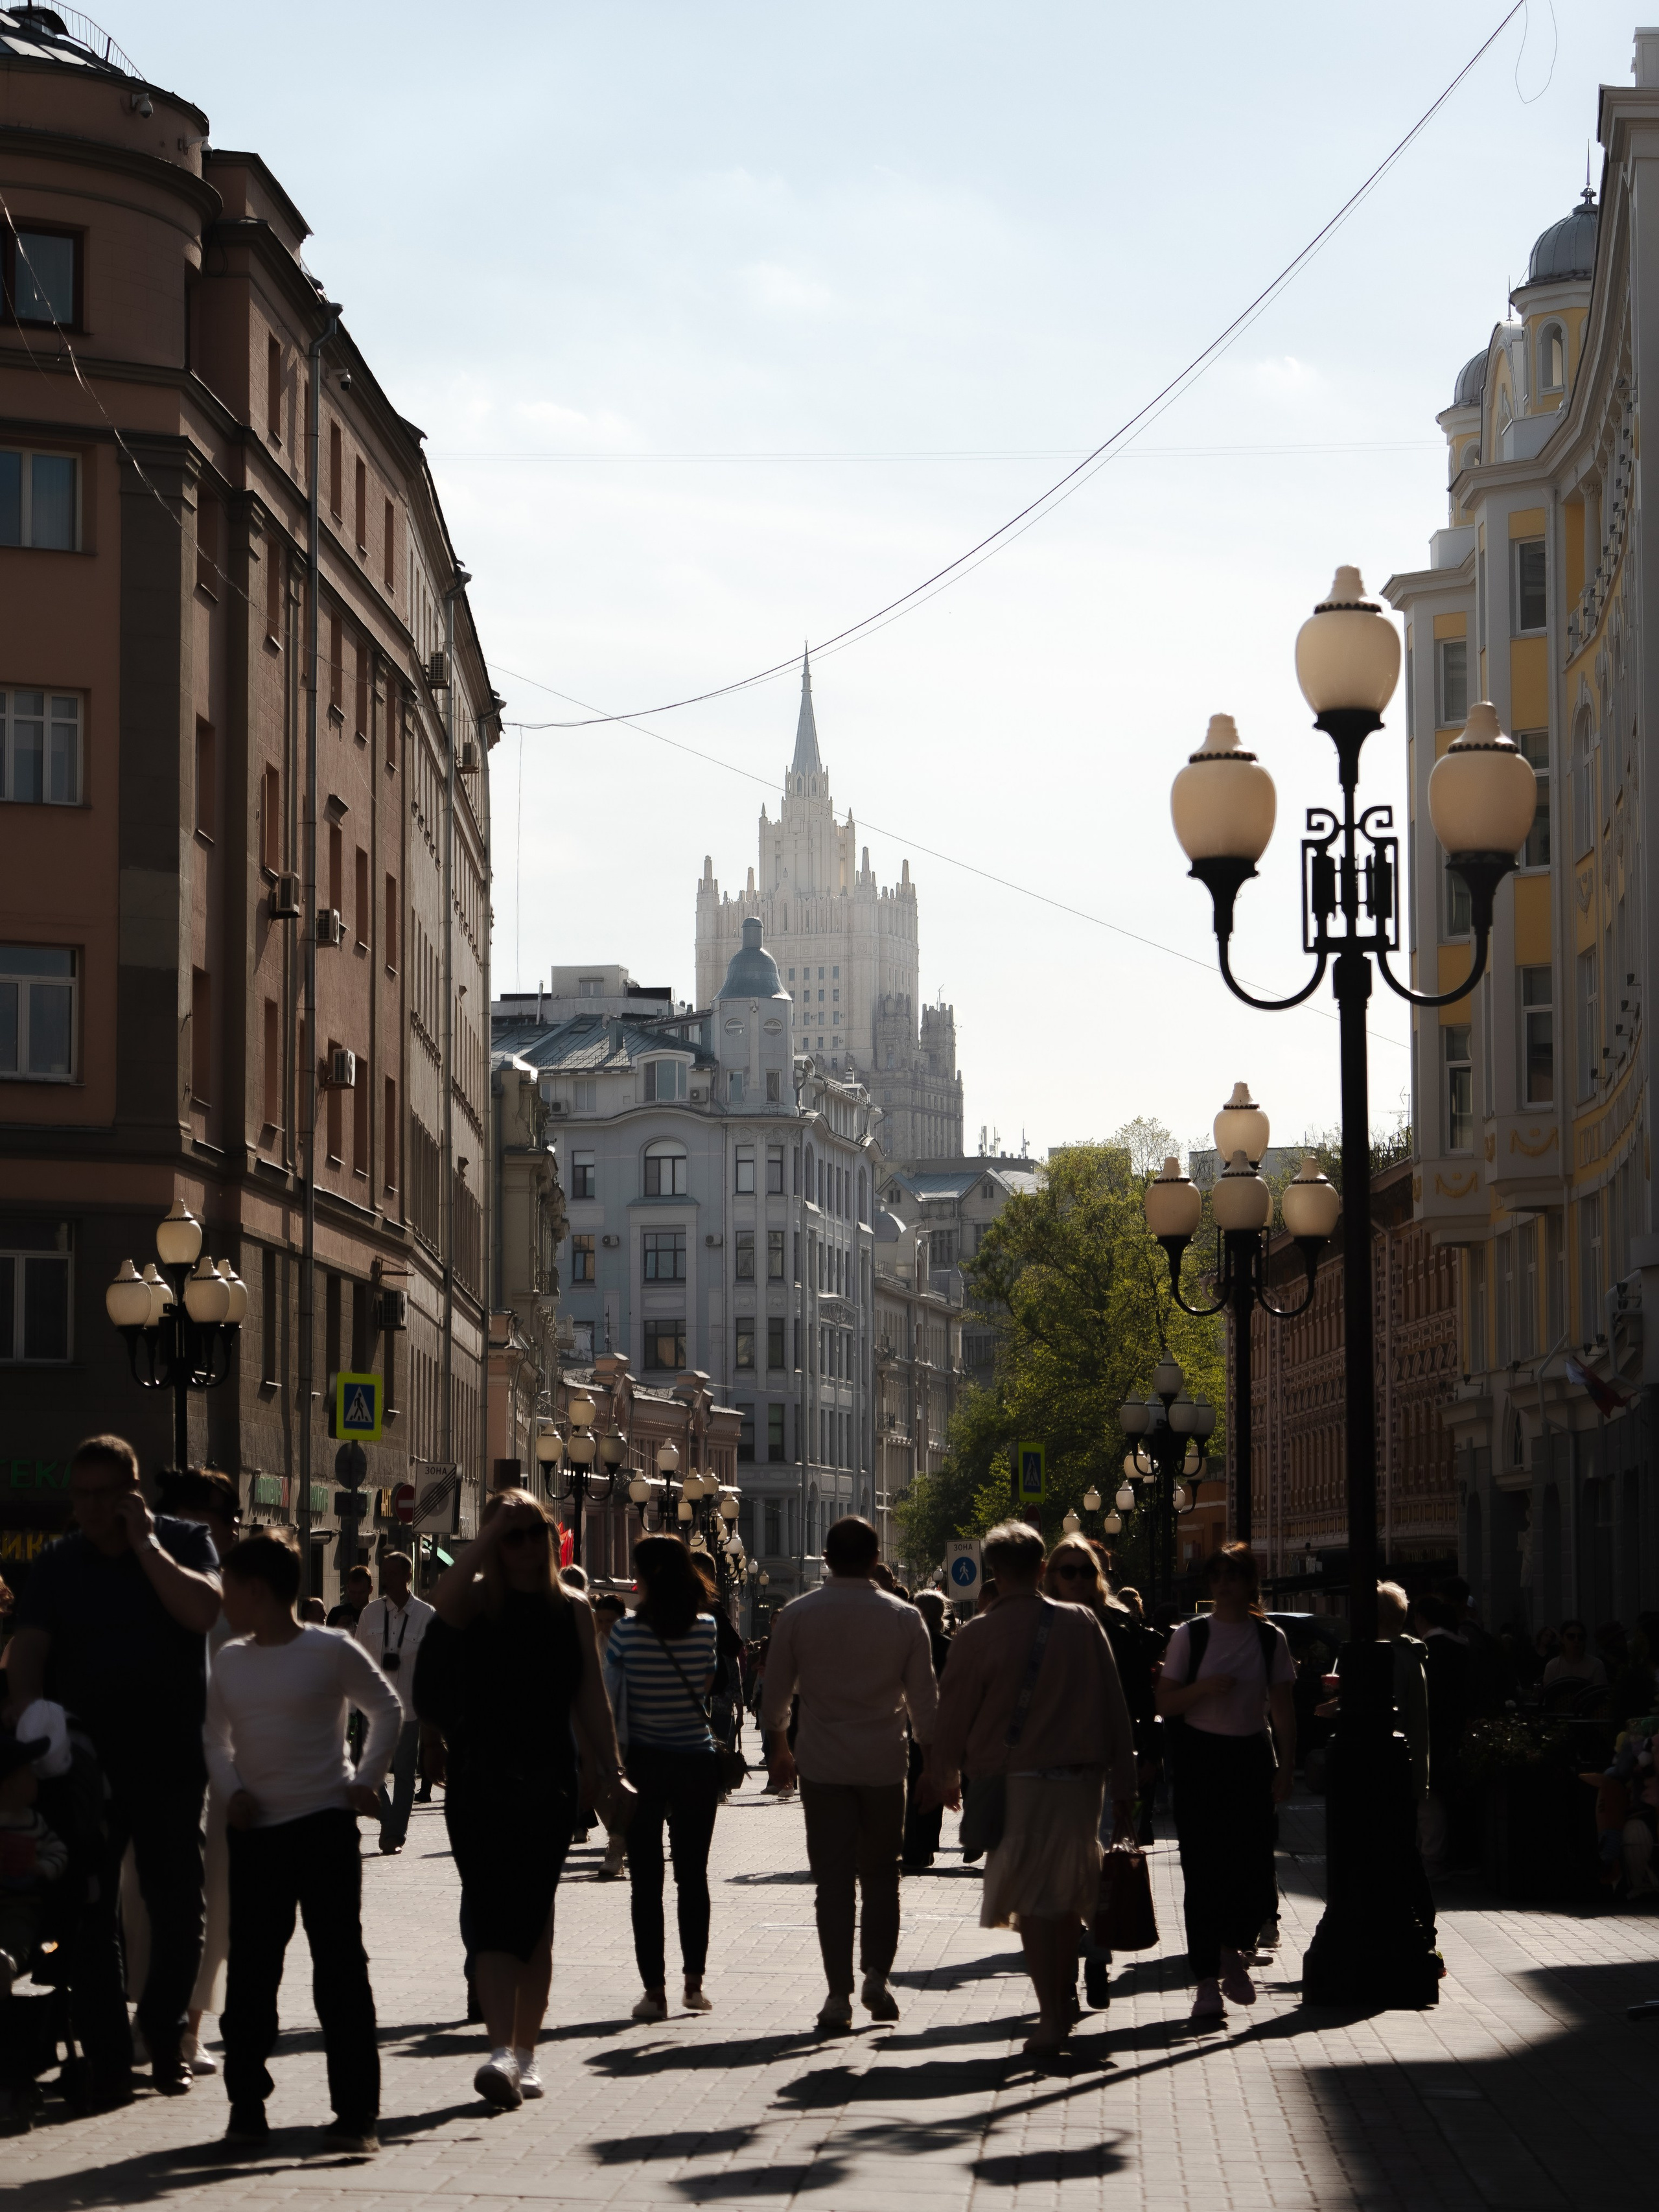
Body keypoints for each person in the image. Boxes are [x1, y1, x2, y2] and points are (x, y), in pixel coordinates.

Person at [1, 1434, 221, 2102]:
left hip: (170, 1757)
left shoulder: (183, 1540)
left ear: (132, 1489)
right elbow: (30, 1647)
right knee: (89, 1909)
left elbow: (204, 1610)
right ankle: (104, 2053)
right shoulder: (59, 1562)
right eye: (82, 1494)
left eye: (105, 1493)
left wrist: (147, 1543)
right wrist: (30, 1714)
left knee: (177, 1906)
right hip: (84, 1763)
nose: (92, 1507)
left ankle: (162, 2035)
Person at [430, 1490, 629, 2110]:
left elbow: (590, 1696)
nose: (520, 1547)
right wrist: (489, 1533)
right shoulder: (475, 1602)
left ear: (551, 1539)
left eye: (531, 1534)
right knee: (490, 1912)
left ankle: (527, 2050)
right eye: (508, 1536)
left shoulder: (570, 1610)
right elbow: (443, 1601)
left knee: (535, 1921)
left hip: (549, 1777)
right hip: (479, 1775)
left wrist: (611, 1768)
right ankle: (499, 2051)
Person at [207, 1533, 400, 2154]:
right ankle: (246, 2105)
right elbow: (212, 1736)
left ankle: (355, 2115)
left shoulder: (330, 1649)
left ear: (257, 1589)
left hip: (323, 1828)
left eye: (228, 1586)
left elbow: (388, 1708)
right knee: (252, 1976)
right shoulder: (230, 1660)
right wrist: (231, 1788)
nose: (222, 1597)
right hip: (256, 1832)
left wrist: (366, 1780)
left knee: (340, 1971)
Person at [929, 1522, 1135, 2060]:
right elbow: (1115, 1706)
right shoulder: (1084, 1621)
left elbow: (952, 1712)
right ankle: (1060, 2000)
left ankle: (1051, 2016)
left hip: (1018, 1781)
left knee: (1035, 1902)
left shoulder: (978, 1633)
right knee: (1064, 1897)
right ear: (1043, 1569)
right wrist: (1127, 1788)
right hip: (1083, 1782)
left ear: (992, 1571)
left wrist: (943, 1773)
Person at [762, 1517, 939, 2032]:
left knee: (833, 1881)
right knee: (883, 1874)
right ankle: (877, 1976)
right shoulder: (905, 1617)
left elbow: (776, 1694)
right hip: (885, 1761)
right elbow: (925, 1702)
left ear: (825, 1556)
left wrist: (779, 1747)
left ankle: (837, 1994)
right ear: (874, 1556)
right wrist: (935, 1765)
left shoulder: (797, 1614)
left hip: (823, 1762)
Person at [119, 1470, 240, 2080]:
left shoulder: (235, 1585)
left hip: (223, 1765)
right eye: (222, 1514)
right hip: (162, 1758)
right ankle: (150, 2019)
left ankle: (188, 2028)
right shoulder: (157, 1572)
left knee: (212, 1903)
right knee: (143, 1897)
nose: (232, 1526)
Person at [1155, 1544, 1296, 2023]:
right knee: (1202, 1871)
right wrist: (1202, 1688)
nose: (1223, 1583)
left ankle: (1232, 1949)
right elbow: (1166, 1701)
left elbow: (1282, 1707)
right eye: (1216, 1575)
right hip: (1201, 1758)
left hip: (1252, 1756)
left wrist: (1287, 1764)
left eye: (1232, 1575)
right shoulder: (1190, 1636)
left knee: (1254, 1871)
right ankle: (1206, 1982)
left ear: (1250, 1582)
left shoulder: (1268, 1638)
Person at [603, 1537, 725, 2020]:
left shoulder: (626, 1634)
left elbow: (612, 1698)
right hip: (696, 1761)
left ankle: (653, 1992)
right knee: (693, 1876)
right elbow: (707, 1684)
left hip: (644, 1765)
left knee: (646, 1882)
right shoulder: (708, 1629)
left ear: (645, 1577)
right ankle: (693, 1985)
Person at [353, 1552, 435, 1856]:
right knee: (371, 1772)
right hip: (372, 1707)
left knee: (403, 1774)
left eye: (391, 1573)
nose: (385, 1578)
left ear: (407, 1577)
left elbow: (431, 1668)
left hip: (409, 1709)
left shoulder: (426, 1615)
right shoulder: (371, 1614)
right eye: (383, 1572)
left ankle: (395, 1833)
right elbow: (358, 1660)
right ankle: (388, 1821)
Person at [901, 1590, 951, 1872]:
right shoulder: (949, 1646)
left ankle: (911, 1844)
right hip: (942, 1727)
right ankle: (927, 1845)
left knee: (912, 1781)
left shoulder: (909, 1644)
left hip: (910, 1724)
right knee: (933, 1782)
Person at [592, 1594, 629, 1880]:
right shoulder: (596, 1642)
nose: (605, 1626)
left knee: (625, 1789)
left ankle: (618, 1847)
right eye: (601, 1620)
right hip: (605, 1726)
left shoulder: (632, 1642)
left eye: (610, 1621)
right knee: (599, 1787)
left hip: (631, 1725)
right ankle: (618, 1840)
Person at [1542, 1619, 1608, 1690]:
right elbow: (1549, 1697)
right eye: (1571, 1637)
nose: (1576, 1640)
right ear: (1562, 1639)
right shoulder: (1552, 1666)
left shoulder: (1596, 1665)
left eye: (1581, 1637)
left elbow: (1600, 1696)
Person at [327, 1566, 373, 1631]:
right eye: (353, 1592)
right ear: (348, 1589)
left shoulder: (377, 1612)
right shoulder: (336, 1613)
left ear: (370, 1590)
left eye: (361, 1593)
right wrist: (337, 1629)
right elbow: (326, 1640)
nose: (357, 1597)